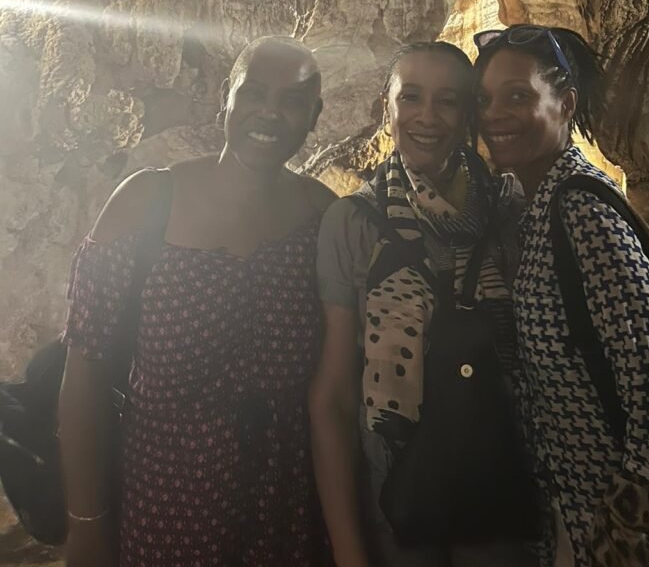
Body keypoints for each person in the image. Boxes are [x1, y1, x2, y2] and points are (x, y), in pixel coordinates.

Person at [59, 36, 336, 567]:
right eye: (253, 93)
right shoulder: (146, 203)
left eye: (293, 100)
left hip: (287, 515)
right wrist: (86, 526)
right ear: (225, 100)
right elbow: (84, 381)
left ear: (314, 115)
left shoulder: (321, 218)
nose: (270, 112)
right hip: (163, 510)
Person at [474, 24, 649, 567]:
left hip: (622, 525)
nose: (493, 115)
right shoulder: (541, 204)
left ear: (566, 103)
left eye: (518, 96)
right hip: (581, 512)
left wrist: (633, 527)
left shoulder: (582, 211)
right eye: (484, 100)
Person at [310, 41, 537, 567]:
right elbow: (335, 392)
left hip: (503, 476)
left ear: (467, 119)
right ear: (385, 110)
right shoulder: (354, 223)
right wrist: (348, 549)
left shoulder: (509, 208)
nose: (427, 117)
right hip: (399, 492)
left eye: (448, 101)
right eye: (410, 97)